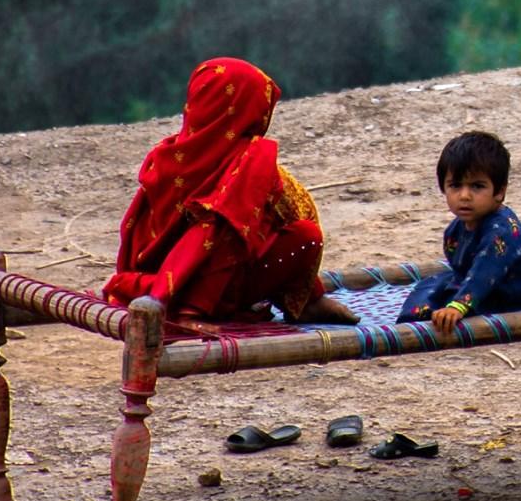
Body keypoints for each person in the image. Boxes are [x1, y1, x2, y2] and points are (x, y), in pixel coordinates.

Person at [103, 57, 359, 328]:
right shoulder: (251, 159)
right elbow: (217, 229)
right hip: (184, 294)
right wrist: (185, 310)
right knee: (302, 235)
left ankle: (306, 303)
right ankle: (192, 309)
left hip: (153, 282)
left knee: (279, 227)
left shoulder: (168, 154)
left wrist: (312, 294)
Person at [398, 131, 521, 339]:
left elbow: (483, 274)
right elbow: (459, 270)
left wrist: (457, 307)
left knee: (448, 297)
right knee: (430, 285)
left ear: (499, 192)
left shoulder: (501, 232)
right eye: (455, 185)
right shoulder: (456, 229)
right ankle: (413, 325)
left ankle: (436, 320)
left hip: (505, 299)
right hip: (469, 283)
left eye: (477, 186)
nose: (464, 196)